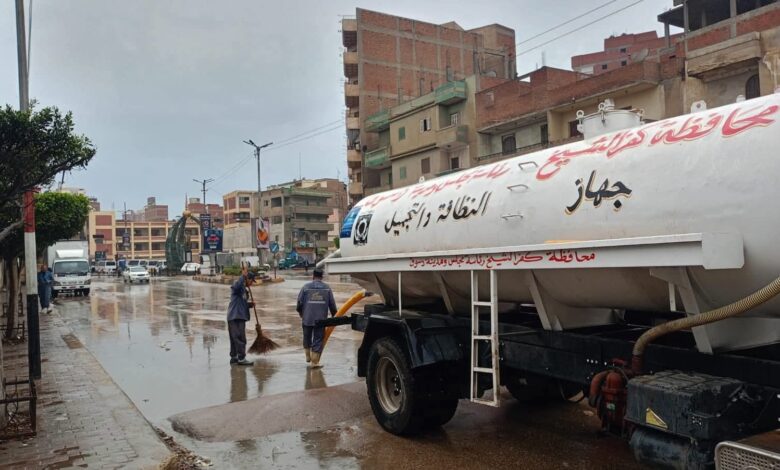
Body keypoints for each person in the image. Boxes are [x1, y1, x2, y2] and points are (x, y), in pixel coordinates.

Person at [296, 267, 337, 368]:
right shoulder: (327, 288)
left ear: (313, 276)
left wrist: (301, 313)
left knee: (306, 336)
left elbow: (299, 303)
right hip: (321, 320)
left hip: (307, 318)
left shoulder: (305, 287)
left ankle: (307, 356)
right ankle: (314, 362)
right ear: (322, 277)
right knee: (318, 339)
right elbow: (332, 305)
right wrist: (335, 317)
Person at [227, 266, 256, 366]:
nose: (251, 284)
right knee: (239, 337)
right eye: (251, 281)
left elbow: (241, 303)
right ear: (248, 279)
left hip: (237, 315)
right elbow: (236, 287)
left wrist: (250, 305)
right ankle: (241, 358)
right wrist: (242, 276)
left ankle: (234, 357)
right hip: (236, 316)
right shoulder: (238, 285)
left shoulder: (244, 291)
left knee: (234, 338)